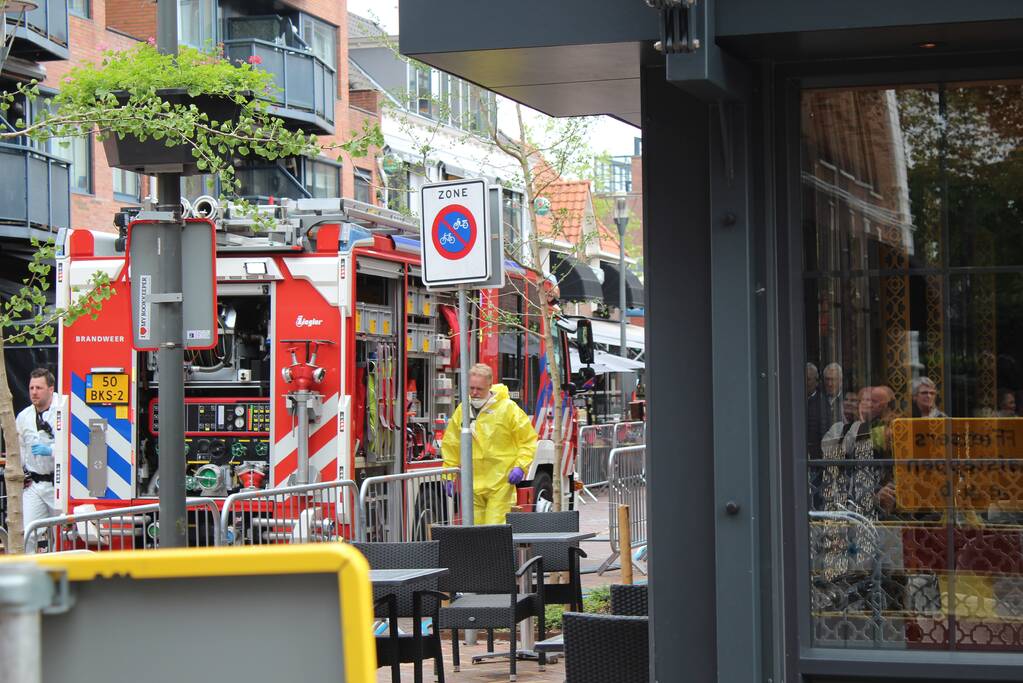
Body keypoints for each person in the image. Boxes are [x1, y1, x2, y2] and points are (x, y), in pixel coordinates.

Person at [442, 363, 538, 524]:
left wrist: (520, 467)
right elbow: (452, 443)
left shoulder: (508, 409)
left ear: (489, 385)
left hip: (500, 482)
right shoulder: (463, 410)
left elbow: (527, 439)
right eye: (471, 388)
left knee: (495, 528)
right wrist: (448, 475)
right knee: (473, 530)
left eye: (479, 389)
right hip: (472, 483)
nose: (474, 393)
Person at [16, 368, 59, 530]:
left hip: (59, 484)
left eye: (39, 388)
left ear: (51, 389)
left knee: (62, 535)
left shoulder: (63, 410)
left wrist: (52, 450)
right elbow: (20, 449)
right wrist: (20, 473)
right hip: (35, 485)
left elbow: (72, 446)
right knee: (27, 532)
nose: (34, 392)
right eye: (31, 388)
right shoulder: (24, 416)